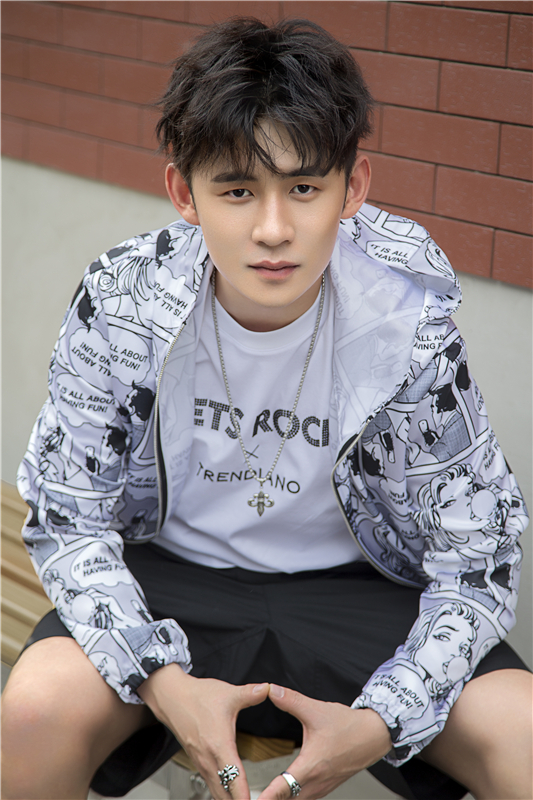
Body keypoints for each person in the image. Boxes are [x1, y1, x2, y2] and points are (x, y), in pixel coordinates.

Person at [2, 17, 531, 800]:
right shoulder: (123, 302)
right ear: (184, 192)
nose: (274, 230)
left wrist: (380, 720)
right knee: (31, 717)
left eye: (304, 188)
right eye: (237, 190)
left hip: (354, 588)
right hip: (171, 577)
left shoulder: (404, 324)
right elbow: (69, 515)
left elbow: (477, 555)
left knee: (524, 737)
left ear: (353, 187)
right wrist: (160, 681)